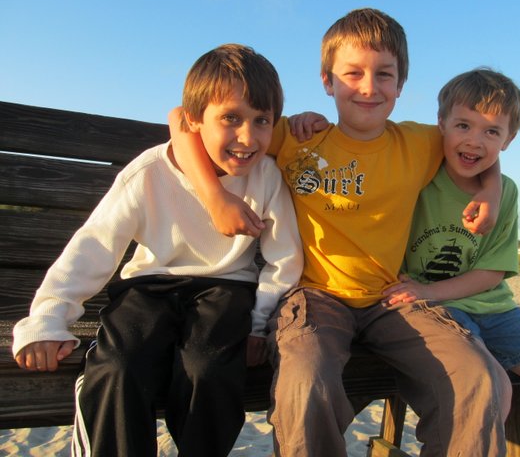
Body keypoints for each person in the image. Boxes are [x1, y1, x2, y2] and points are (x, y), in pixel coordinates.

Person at [170, 9, 509, 457]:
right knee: (305, 380)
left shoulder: (419, 143)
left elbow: (478, 146)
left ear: (401, 85)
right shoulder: (297, 137)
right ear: (327, 81)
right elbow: (180, 119)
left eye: (384, 74)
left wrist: (491, 190)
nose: (369, 87)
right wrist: (215, 197)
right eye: (352, 74)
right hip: (316, 296)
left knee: (475, 377)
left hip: (390, 298)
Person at [12, 44, 303, 457]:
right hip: (148, 288)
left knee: (209, 369)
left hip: (226, 290)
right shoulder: (150, 171)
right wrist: (47, 319)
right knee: (118, 367)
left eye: (262, 121)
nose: (248, 137)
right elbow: (94, 244)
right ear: (193, 120)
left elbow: (284, 258)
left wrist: (258, 324)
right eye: (230, 118)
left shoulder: (267, 177)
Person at [383, 68, 520, 457]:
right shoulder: (419, 175)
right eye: (463, 125)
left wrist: (429, 289)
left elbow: (493, 272)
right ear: (441, 123)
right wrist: (425, 294)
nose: (474, 141)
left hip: (494, 308)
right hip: (438, 310)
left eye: (492, 131)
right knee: (495, 388)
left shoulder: (505, 191)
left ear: (508, 140)